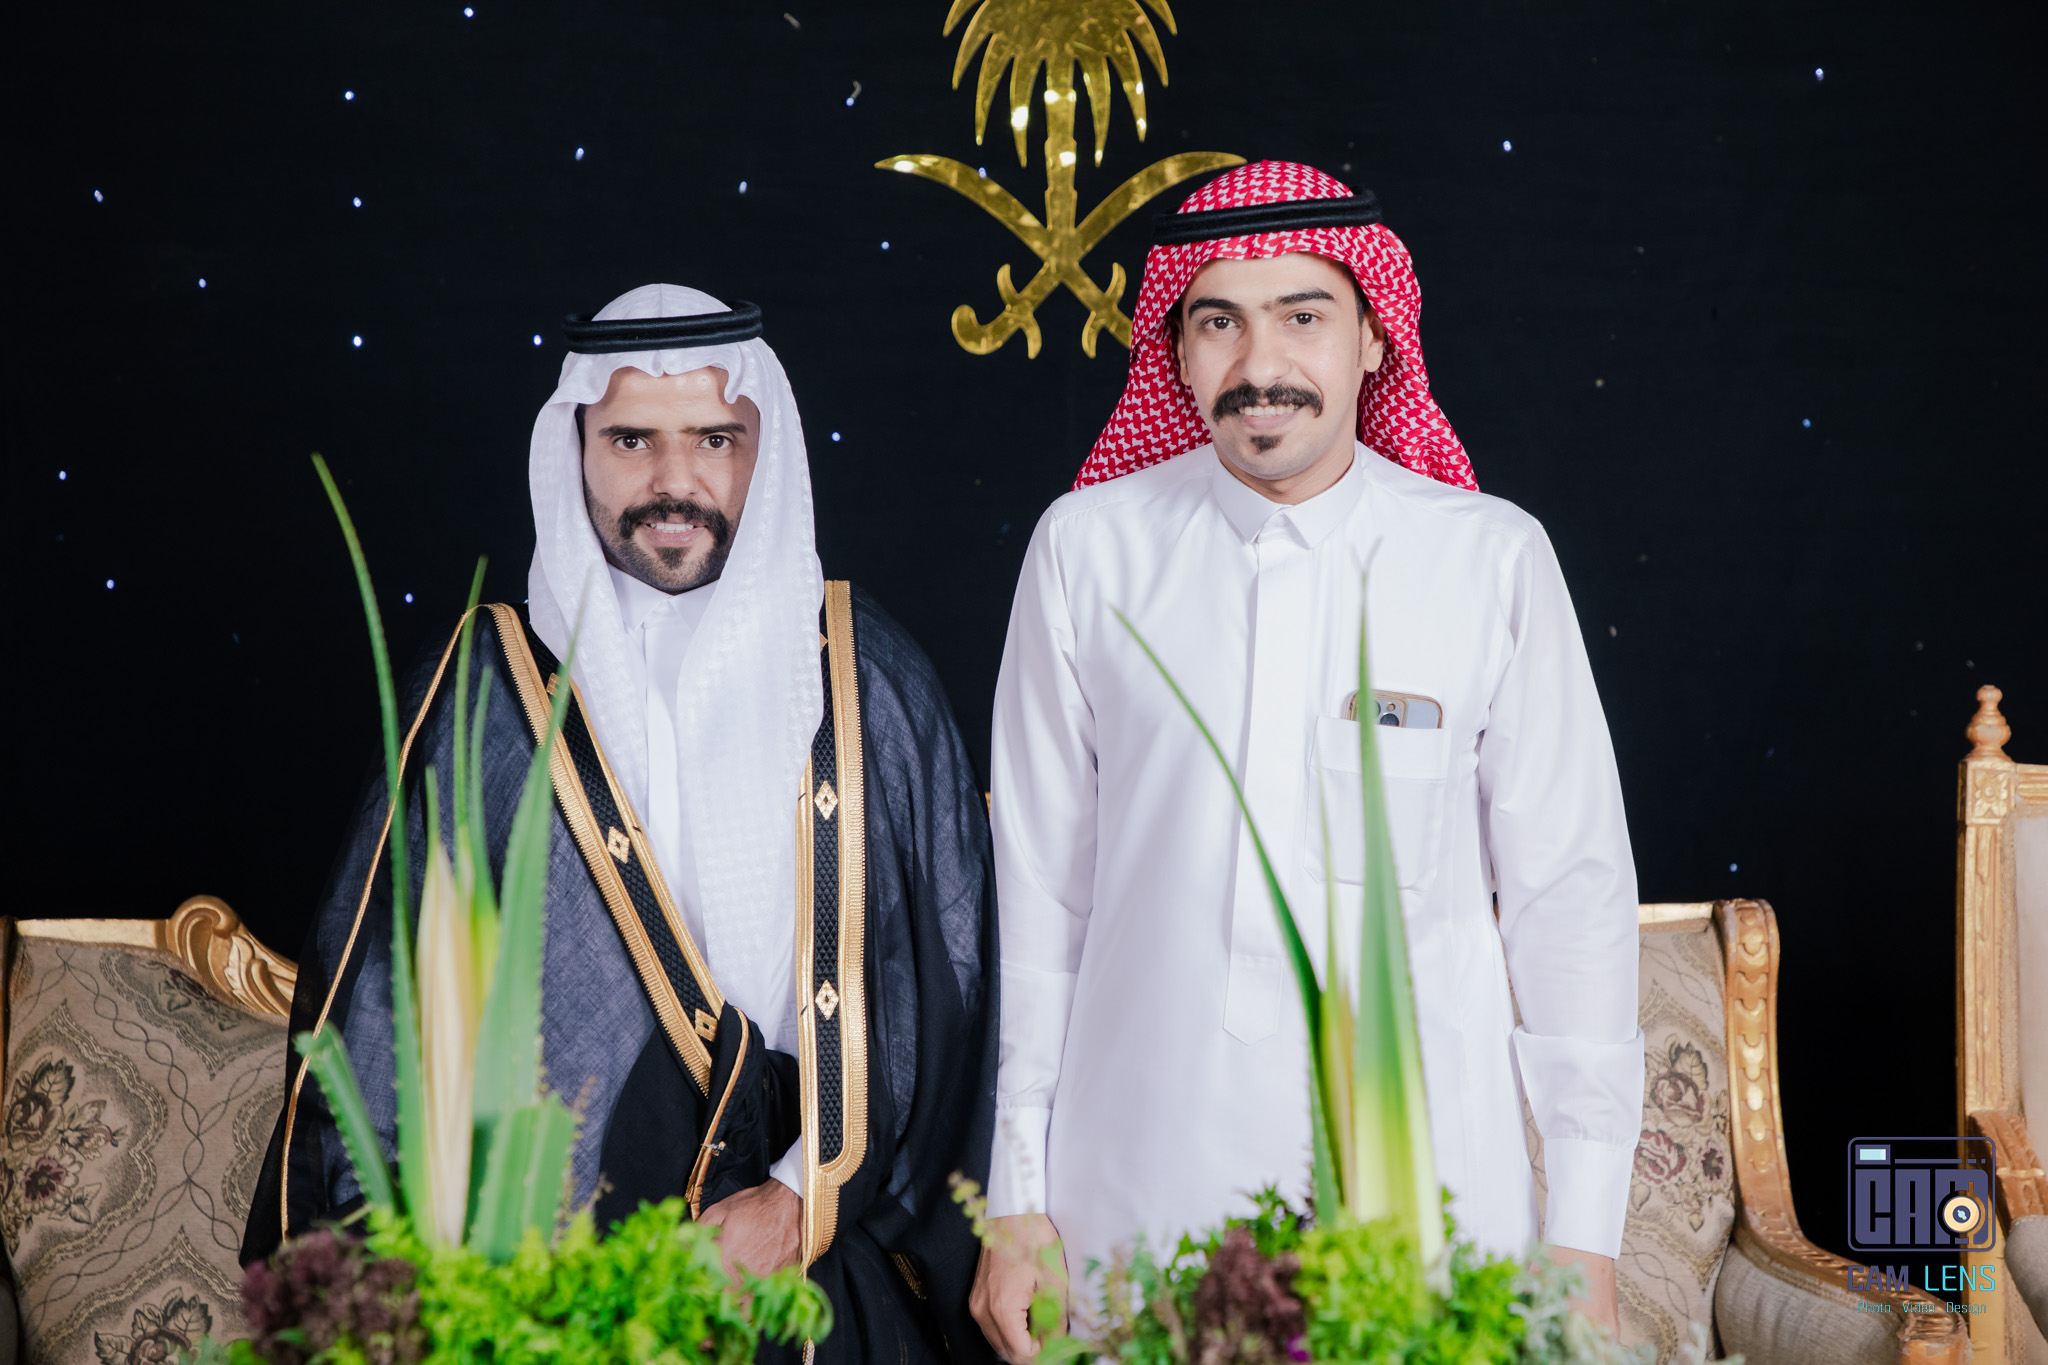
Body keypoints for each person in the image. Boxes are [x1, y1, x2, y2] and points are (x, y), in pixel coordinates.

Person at [244, 284, 999, 1365]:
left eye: (714, 440)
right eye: (632, 440)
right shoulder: (484, 694)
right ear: (577, 450)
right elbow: (377, 1016)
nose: (673, 481)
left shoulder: (865, 672)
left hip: (806, 1259)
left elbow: (947, 988)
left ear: (763, 450)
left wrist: (798, 1200)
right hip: (542, 1277)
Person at [972, 162, 1643, 1358]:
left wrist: (1584, 1233)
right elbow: (1036, 901)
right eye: (1217, 322)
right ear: (1176, 352)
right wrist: (1016, 1195)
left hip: (1426, 1198)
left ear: (1373, 338)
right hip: (1134, 1182)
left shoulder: (1487, 561)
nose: (1258, 362)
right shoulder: (1085, 553)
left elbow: (1568, 901)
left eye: (1301, 316)